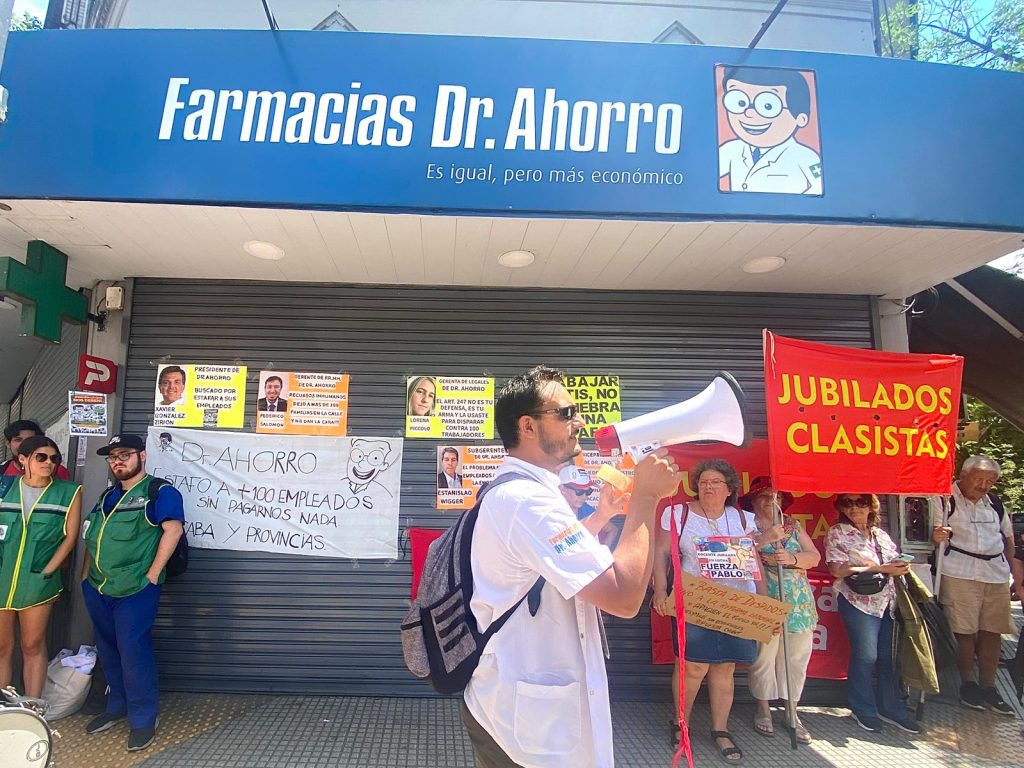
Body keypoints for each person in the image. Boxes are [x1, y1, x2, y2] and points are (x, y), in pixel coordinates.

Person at [462, 365, 680, 768]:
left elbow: (546, 565)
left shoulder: (523, 494)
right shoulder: (530, 502)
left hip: (515, 709)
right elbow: (624, 596)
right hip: (524, 730)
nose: (579, 421)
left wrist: (600, 518)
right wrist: (648, 497)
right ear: (527, 426)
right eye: (565, 413)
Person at [652, 458, 761, 763]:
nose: (708, 487)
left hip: (737, 603)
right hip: (695, 600)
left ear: (729, 489)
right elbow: (660, 552)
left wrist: (764, 605)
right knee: (693, 667)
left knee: (726, 667)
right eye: (703, 482)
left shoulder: (743, 520)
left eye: (715, 482)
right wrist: (660, 589)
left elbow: (754, 565)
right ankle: (680, 723)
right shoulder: (678, 514)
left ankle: (720, 729)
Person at [82, 434, 185, 752]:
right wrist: (86, 576)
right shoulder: (106, 498)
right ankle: (116, 707)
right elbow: (92, 535)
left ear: (142, 456)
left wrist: (153, 575)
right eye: (112, 457)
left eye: (124, 454)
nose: (117, 461)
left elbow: (173, 528)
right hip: (99, 587)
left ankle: (143, 719)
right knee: (109, 650)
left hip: (135, 589)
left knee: (133, 652)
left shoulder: (159, 491)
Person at [826, 493, 921, 734]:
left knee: (889, 658)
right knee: (866, 656)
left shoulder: (881, 534)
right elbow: (837, 569)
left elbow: (892, 563)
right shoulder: (838, 532)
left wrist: (900, 567)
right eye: (848, 503)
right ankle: (863, 709)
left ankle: (892, 708)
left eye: (861, 502)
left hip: (887, 602)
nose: (855, 508)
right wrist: (880, 568)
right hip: (858, 601)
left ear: (871, 505)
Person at [932, 455, 1016, 715]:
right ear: (964, 475)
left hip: (995, 572)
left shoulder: (995, 504)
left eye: (989, 481)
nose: (983, 485)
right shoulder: (946, 499)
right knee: (964, 629)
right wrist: (937, 535)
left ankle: (989, 686)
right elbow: (933, 533)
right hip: (960, 570)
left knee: (993, 630)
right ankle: (967, 682)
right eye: (979, 479)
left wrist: (1014, 574)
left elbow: (1009, 539)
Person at [0, 436, 81, 699]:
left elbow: (70, 536)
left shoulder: (69, 492)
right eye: (41, 457)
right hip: (2, 578)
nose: (49, 463)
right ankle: (4, 705)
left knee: (32, 644)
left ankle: (34, 706)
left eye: (54, 458)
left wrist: (49, 572)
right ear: (22, 460)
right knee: (2, 646)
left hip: (38, 582)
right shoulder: (3, 487)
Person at [741, 476, 819, 744]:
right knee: (764, 657)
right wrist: (766, 538)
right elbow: (740, 553)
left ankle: (792, 711)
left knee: (796, 658)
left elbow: (815, 556)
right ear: (753, 501)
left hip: (798, 604)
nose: (771, 501)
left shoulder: (793, 526)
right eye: (763, 496)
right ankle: (762, 707)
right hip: (767, 598)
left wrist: (793, 558)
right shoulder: (746, 525)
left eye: (776, 496)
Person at [718, 66, 822, 195]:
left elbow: (819, 187)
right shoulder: (731, 149)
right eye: (739, 103)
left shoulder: (805, 156)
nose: (749, 113)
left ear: (800, 118)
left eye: (768, 106)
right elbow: (704, 173)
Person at [558, 465, 629, 546]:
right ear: (562, 489)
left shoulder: (586, 508)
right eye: (579, 491)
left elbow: (612, 530)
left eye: (588, 491)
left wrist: (605, 553)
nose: (584, 496)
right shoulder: (553, 513)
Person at [2, 420, 72, 488]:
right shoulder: (2, 471)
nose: (24, 444)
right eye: (18, 440)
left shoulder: (58, 471)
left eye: (30, 439)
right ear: (8, 444)